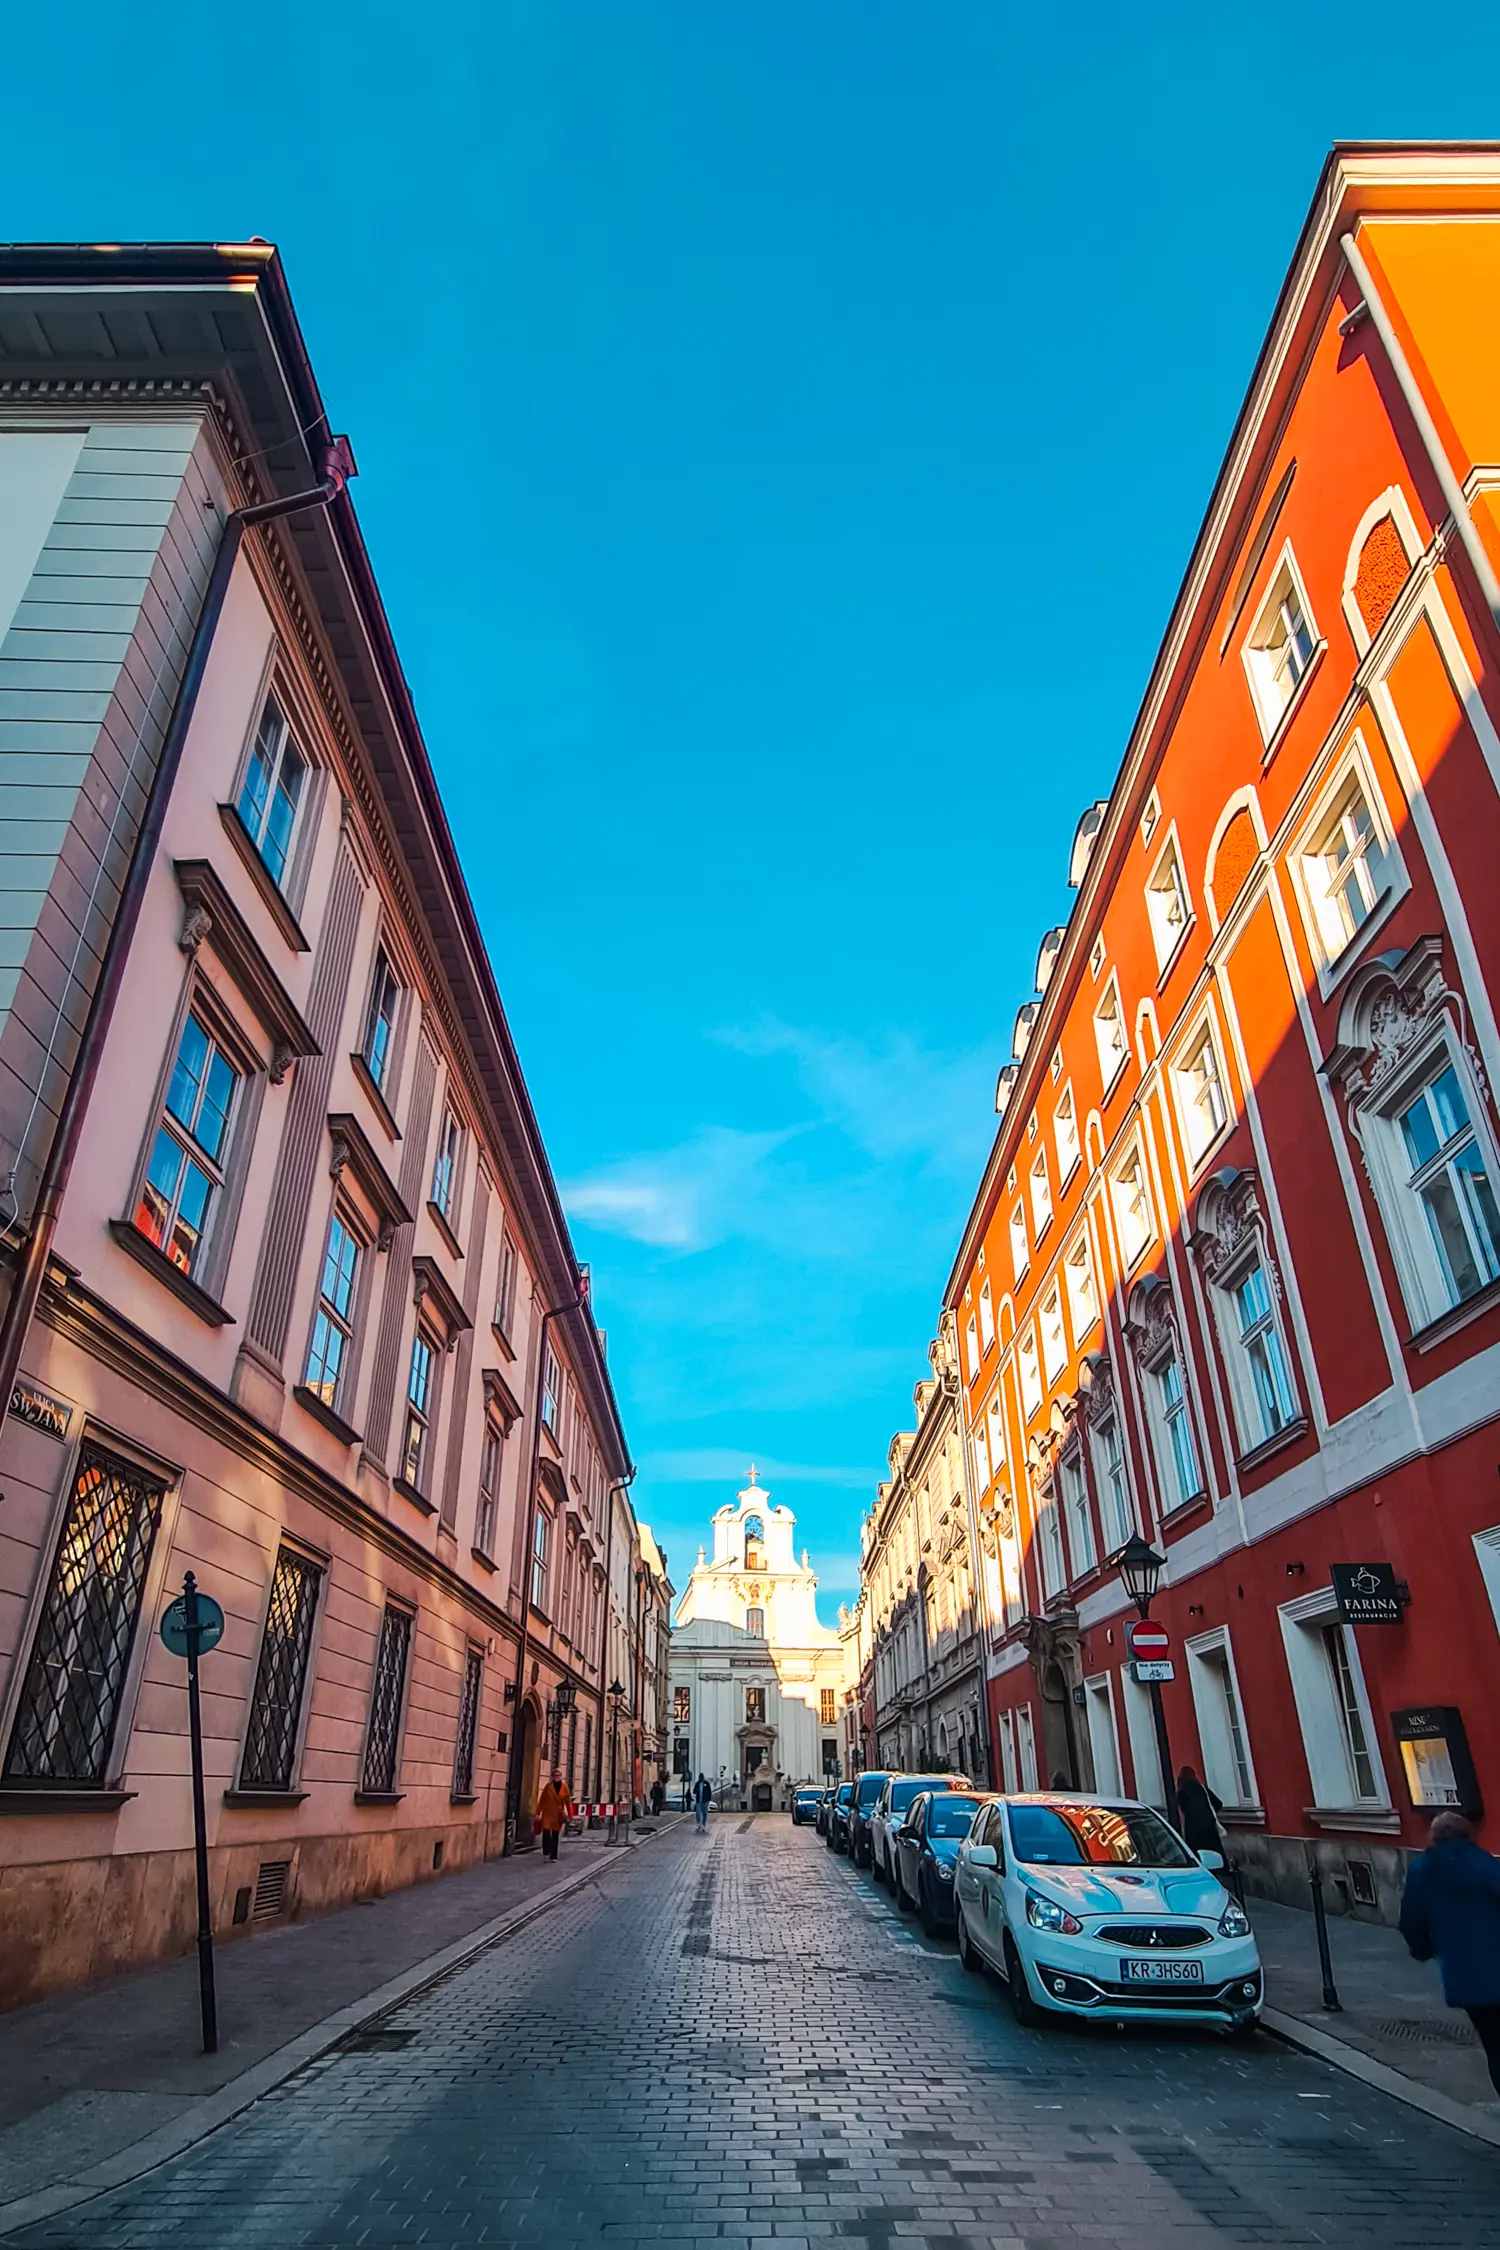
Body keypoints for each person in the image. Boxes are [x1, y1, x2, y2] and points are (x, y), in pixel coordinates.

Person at [1400, 1811, 1500, 2095]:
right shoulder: (1486, 1863)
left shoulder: (1424, 1870)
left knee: (1494, 2044)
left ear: (1434, 1837)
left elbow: (1411, 1919)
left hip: (1466, 1974)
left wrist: (1422, 1949)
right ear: (1469, 1834)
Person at [1176, 1764, 1225, 1856]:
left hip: (1193, 1829)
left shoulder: (1182, 1792)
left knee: (1197, 1854)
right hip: (1209, 1826)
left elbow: (1184, 1810)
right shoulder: (1202, 1789)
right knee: (1215, 1853)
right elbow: (1218, 1804)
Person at [534, 1768, 575, 1862]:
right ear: (552, 1777)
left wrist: (570, 1815)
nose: (557, 1777)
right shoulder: (548, 1787)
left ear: (561, 1777)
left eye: (559, 1775)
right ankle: (546, 1852)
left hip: (558, 1814)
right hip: (547, 1813)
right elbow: (542, 1800)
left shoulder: (565, 1787)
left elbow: (568, 1803)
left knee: (555, 1835)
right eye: (555, 1776)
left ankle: (554, 1856)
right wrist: (537, 1813)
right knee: (546, 1833)